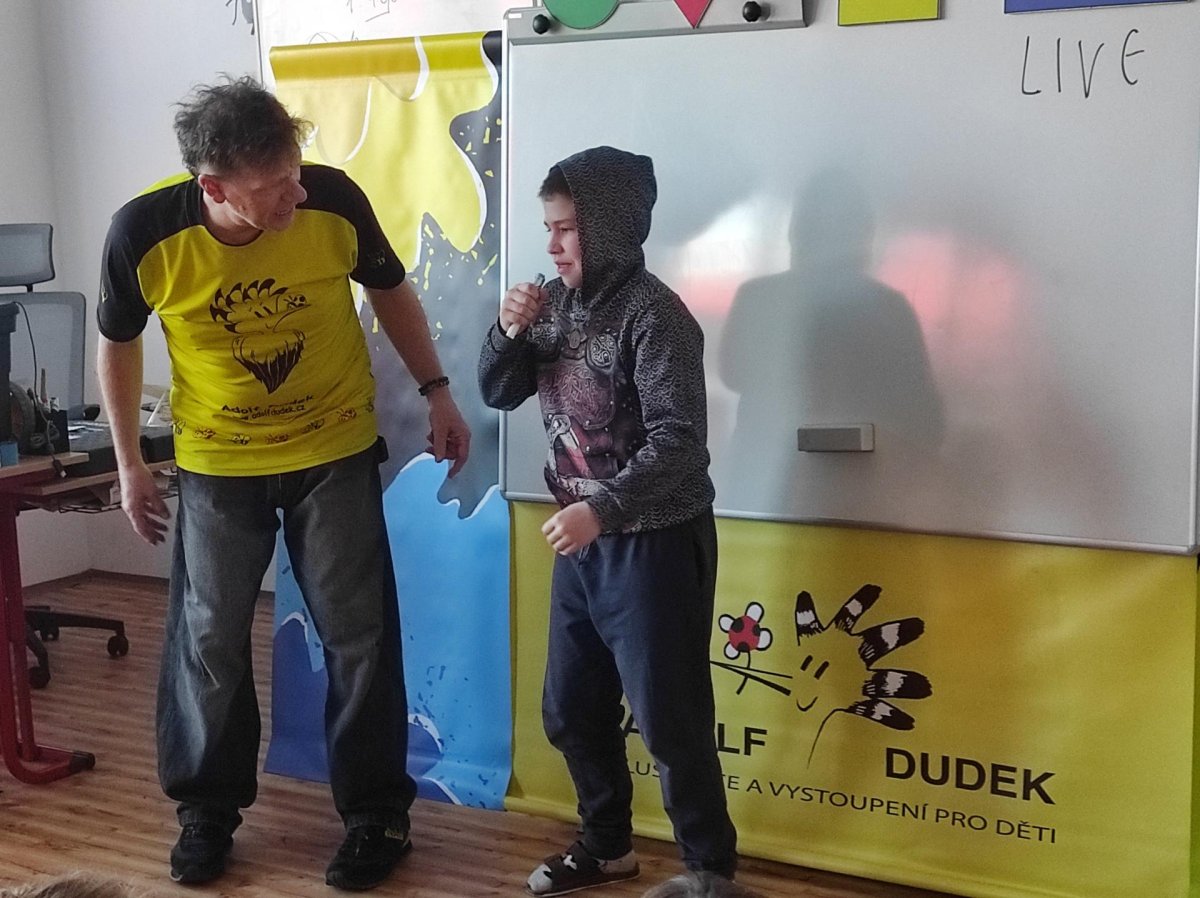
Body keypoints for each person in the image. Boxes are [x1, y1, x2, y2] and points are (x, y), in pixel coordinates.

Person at [97, 76, 470, 891]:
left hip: (333, 451)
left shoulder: (331, 201)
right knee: (209, 641)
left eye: (295, 174)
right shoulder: (144, 233)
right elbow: (118, 342)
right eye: (273, 187)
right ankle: (206, 812)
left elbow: (390, 289)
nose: (295, 196)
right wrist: (129, 463)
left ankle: (377, 816)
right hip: (216, 466)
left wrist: (438, 391)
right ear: (213, 187)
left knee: (359, 636)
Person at [478, 146, 738, 896]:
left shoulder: (657, 316)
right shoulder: (555, 306)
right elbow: (498, 391)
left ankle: (711, 873)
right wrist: (507, 332)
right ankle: (607, 846)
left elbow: (679, 444)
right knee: (570, 709)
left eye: (566, 229)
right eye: (548, 229)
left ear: (609, 227)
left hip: (652, 540)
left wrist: (604, 508)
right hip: (583, 539)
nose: (553, 245)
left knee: (670, 721)